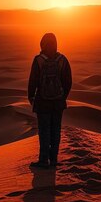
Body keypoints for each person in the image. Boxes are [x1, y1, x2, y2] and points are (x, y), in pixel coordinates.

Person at [28, 33, 72, 168]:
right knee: (55, 130)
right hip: (58, 103)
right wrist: (62, 97)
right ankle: (53, 160)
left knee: (44, 131)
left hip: (42, 102)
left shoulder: (38, 60)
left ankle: (43, 160)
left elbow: (33, 82)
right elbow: (68, 82)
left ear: (42, 44)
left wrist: (31, 97)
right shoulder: (62, 60)